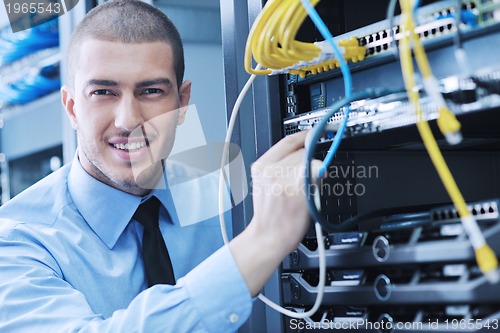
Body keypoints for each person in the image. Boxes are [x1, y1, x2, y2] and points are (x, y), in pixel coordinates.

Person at [0, 0, 319, 332]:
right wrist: (262, 242)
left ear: (182, 103)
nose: (128, 121)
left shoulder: (228, 202)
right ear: (72, 108)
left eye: (151, 91)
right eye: (103, 92)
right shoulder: (16, 241)